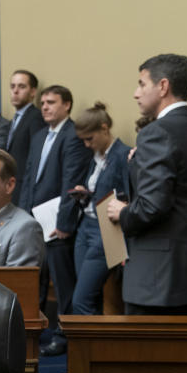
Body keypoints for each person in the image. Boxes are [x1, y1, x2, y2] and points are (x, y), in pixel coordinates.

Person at [108, 53, 187, 315]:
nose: (136, 93)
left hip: (158, 280)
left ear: (163, 86)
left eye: (142, 84)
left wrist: (121, 212)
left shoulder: (156, 133)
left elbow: (151, 207)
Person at [18, 85, 90, 357]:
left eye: (51, 102)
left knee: (62, 282)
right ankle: (29, 330)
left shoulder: (74, 135)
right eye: (43, 103)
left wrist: (63, 223)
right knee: (33, 277)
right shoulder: (38, 136)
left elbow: (71, 182)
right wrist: (22, 216)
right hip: (33, 221)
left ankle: (63, 334)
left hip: (58, 223)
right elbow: (27, 179)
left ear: (67, 105)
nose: (45, 107)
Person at [69, 103, 130, 315]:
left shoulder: (123, 155)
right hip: (84, 227)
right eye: (83, 140)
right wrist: (85, 193)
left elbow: (129, 195)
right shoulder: (95, 158)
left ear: (104, 128)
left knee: (81, 301)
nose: (86, 144)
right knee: (89, 296)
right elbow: (100, 190)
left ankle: (91, 348)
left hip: (106, 231)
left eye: (90, 138)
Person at [5, 70, 47, 201]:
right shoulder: (15, 119)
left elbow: (36, 157)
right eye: (13, 86)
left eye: (21, 86)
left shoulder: (35, 117)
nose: (15, 91)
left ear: (33, 92)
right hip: (11, 186)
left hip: (24, 189)